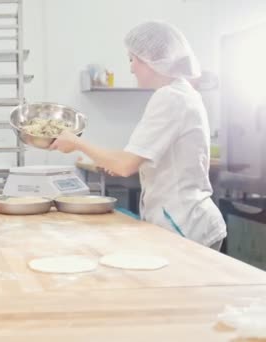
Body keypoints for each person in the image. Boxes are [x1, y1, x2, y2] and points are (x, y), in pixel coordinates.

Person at [50, 21, 226, 250]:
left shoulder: (170, 97)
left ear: (152, 61)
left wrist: (75, 142)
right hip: (193, 220)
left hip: (184, 225)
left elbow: (125, 165)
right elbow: (138, 158)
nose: (131, 68)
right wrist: (119, 161)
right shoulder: (181, 94)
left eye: (132, 59)